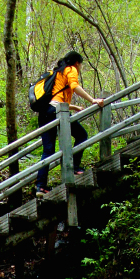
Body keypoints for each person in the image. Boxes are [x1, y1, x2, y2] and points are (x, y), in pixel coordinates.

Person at [35, 51, 103, 196]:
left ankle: (40, 186)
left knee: (48, 151)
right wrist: (92, 100)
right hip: (56, 112)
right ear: (77, 63)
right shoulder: (71, 69)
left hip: (46, 112)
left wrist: (74, 107)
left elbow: (55, 99)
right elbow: (74, 86)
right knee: (82, 135)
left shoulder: (57, 72)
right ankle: (75, 167)